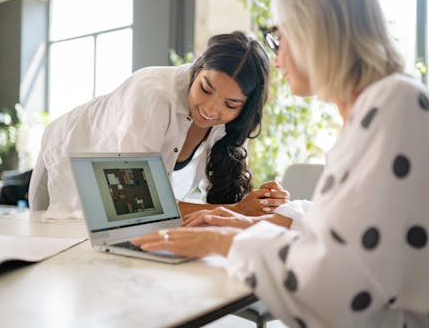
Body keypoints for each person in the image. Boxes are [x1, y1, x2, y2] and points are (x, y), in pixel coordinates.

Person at [132, 0, 429, 326]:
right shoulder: (389, 101)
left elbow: (339, 288)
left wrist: (223, 241)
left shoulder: (391, 105)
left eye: (281, 39)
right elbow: (354, 240)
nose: (277, 60)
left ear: (316, 35)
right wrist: (254, 224)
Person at [29, 31, 290, 220]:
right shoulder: (151, 95)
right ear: (197, 69)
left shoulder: (232, 124)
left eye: (230, 104)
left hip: (126, 200)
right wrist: (237, 211)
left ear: (245, 107)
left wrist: (261, 204)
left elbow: (216, 197)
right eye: (205, 89)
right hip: (65, 157)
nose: (211, 109)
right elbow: (138, 204)